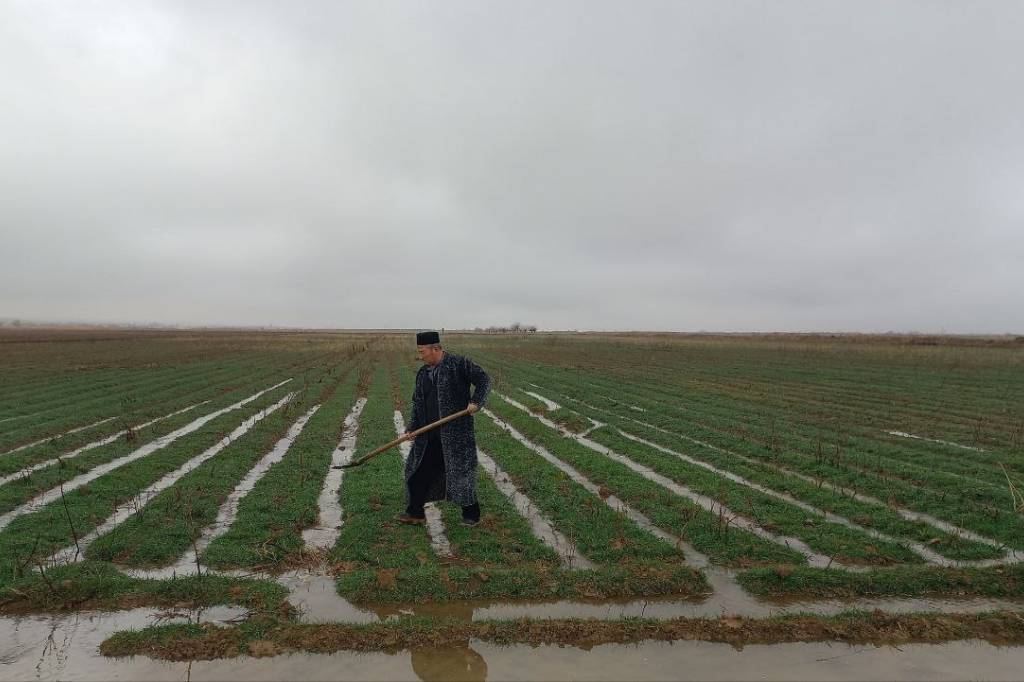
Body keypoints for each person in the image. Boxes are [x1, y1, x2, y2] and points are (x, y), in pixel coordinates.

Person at [398, 330, 490, 526]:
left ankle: (471, 515)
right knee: (417, 472)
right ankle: (415, 513)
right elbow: (418, 403)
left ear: (436, 348)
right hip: (429, 435)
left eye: (422, 351)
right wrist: (412, 428)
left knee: (461, 476)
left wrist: (476, 401)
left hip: (456, 436)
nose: (420, 355)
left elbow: (484, 380)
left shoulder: (459, 364)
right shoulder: (423, 374)